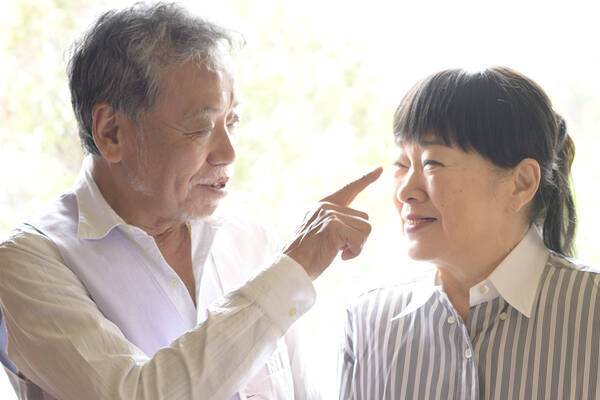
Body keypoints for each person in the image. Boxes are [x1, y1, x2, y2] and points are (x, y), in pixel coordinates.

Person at [0, 3, 382, 400]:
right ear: (112, 132)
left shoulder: (251, 240)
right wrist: (295, 268)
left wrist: (288, 270)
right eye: (201, 128)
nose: (228, 153)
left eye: (232, 122)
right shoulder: (30, 263)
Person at [338, 66, 600, 399]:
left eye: (432, 163)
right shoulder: (369, 322)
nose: (405, 192)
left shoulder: (592, 311)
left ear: (521, 184)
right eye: (401, 165)